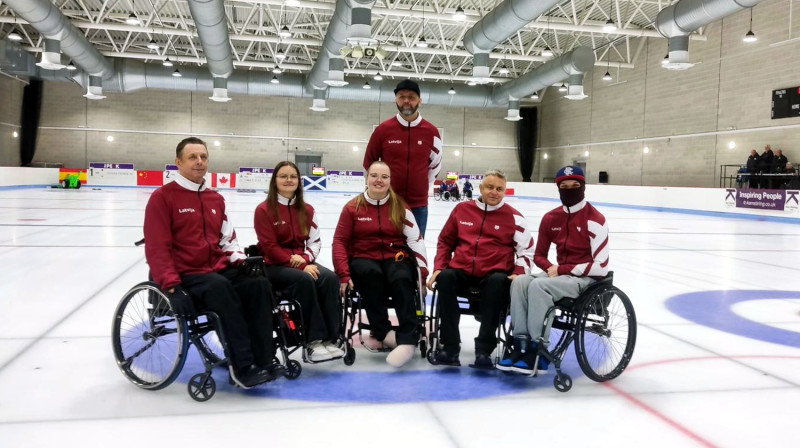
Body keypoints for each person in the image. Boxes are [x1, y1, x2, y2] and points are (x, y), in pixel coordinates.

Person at [143, 137, 285, 388]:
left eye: (204, 157)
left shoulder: (214, 199)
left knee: (258, 284)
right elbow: (157, 247)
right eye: (192, 157)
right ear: (178, 162)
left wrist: (241, 262)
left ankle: (264, 359)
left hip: (216, 269)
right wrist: (171, 285)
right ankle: (242, 367)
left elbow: (228, 239)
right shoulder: (163, 198)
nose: (200, 162)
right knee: (221, 289)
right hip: (186, 273)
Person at [500, 166, 609, 375]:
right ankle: (521, 343)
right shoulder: (551, 218)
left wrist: (563, 269)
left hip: (585, 279)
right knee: (521, 281)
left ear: (583, 187)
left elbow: (601, 266)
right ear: (558, 189)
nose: (570, 190)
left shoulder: (595, 219)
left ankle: (538, 348)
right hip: (559, 275)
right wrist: (551, 268)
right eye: (564, 187)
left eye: (575, 186)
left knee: (539, 286)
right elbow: (539, 254)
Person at [427, 169, 534, 369]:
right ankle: (450, 347)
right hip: (462, 271)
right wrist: (439, 267)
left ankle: (484, 350)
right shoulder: (462, 210)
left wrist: (518, 274)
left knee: (498, 283)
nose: (494, 192)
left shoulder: (514, 217)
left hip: (493, 274)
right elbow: (445, 242)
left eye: (500, 189)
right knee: (446, 278)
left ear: (505, 191)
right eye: (490, 187)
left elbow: (526, 251)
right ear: (481, 188)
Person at [332, 161, 428, 368]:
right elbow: (340, 241)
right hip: (364, 257)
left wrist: (423, 273)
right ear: (367, 179)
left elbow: (415, 240)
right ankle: (384, 332)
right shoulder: (352, 208)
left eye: (384, 177)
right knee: (369, 274)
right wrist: (343, 274)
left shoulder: (400, 206)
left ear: (390, 181)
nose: (379, 180)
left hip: (395, 256)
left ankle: (408, 337)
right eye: (374, 175)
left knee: (402, 277)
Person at [254, 161, 344, 362]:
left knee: (329, 278)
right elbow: (269, 247)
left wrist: (304, 259)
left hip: (301, 261)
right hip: (273, 265)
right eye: (283, 176)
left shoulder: (307, 210)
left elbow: (315, 242)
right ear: (274, 181)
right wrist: (299, 264)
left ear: (299, 181)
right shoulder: (264, 210)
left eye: (293, 176)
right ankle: (313, 340)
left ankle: (332, 337)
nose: (288, 180)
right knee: (304, 280)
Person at [363, 79, 442, 236]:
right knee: (384, 249)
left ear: (420, 101)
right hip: (387, 202)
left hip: (418, 206)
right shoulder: (383, 130)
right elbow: (368, 164)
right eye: (401, 96)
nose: (406, 101)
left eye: (411, 97)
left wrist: (419, 186)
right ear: (395, 99)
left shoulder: (431, 132)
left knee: (415, 252)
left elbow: (435, 166)